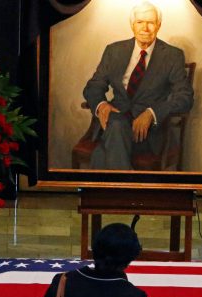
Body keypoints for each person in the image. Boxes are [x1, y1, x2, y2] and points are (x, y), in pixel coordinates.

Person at [83, 0, 194, 170]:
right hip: (114, 122)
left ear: (158, 25)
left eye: (150, 22)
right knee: (117, 125)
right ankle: (126, 193)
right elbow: (94, 86)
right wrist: (101, 104)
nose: (145, 28)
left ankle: (108, 194)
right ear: (132, 25)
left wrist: (152, 112)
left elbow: (185, 97)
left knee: (102, 150)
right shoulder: (114, 51)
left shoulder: (173, 56)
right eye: (140, 22)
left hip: (147, 133)